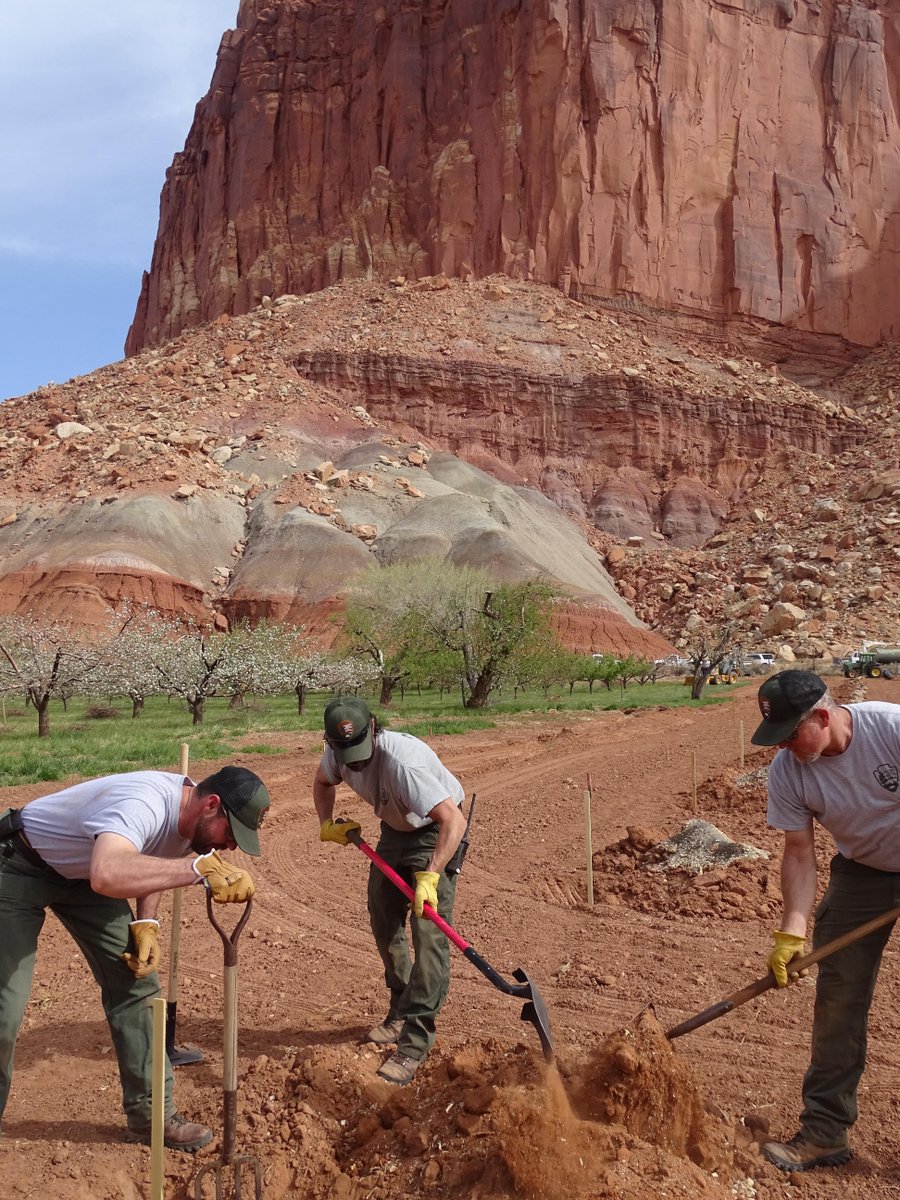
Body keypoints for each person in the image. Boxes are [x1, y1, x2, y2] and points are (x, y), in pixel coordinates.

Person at [0, 765, 270, 1151]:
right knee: (3, 1012)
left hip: (79, 874)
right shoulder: (144, 803)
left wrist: (146, 923)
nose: (229, 847)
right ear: (211, 805)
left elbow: (152, 864)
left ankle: (150, 1118)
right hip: (18, 863)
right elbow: (108, 872)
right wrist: (196, 870)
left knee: (138, 984)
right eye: (231, 834)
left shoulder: (192, 826)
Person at [750, 669, 900, 1173]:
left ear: (822, 714)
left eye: (792, 734)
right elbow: (798, 854)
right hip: (863, 874)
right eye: (779, 738)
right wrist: (792, 932)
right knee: (838, 1000)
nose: (787, 747)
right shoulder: (789, 771)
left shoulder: (891, 730)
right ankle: (824, 1133)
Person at [313, 696, 466, 1086]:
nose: (355, 762)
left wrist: (431, 875)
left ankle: (415, 1041)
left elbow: (453, 820)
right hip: (395, 830)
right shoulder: (336, 755)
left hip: (434, 831)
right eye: (346, 753)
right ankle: (399, 1007)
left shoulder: (403, 763)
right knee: (383, 915)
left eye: (360, 751)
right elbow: (322, 781)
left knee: (428, 933)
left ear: (375, 729)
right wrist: (326, 822)